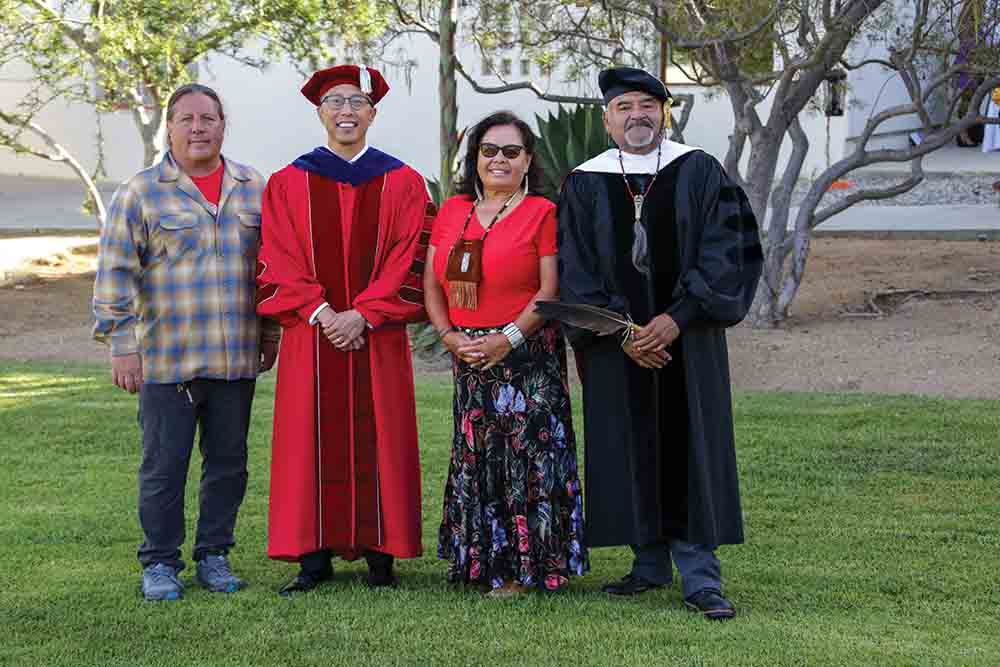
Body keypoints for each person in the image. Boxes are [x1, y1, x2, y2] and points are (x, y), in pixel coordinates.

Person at [557, 67, 762, 619]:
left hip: (687, 344)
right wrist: (626, 331)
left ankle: (700, 576)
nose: (637, 115)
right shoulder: (584, 181)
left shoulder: (699, 171)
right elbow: (574, 268)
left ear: (664, 113)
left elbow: (727, 253)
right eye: (624, 106)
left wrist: (676, 317)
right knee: (627, 442)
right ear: (606, 119)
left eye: (648, 104)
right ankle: (647, 564)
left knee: (689, 443)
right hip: (614, 344)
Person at [93, 83, 277, 601]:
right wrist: (122, 345)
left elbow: (270, 268)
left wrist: (271, 331)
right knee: (163, 466)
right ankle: (159, 563)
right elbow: (114, 274)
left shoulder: (253, 187)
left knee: (228, 465)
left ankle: (214, 556)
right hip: (166, 361)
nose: (198, 128)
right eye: (187, 119)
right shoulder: (140, 192)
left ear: (223, 126)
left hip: (234, 357)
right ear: (170, 127)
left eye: (208, 119)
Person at [256, 65, 432, 595]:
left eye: (357, 101)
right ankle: (312, 559)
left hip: (375, 337)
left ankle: (383, 555)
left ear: (373, 113)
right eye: (336, 101)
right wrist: (323, 313)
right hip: (313, 338)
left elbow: (413, 257)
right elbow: (275, 258)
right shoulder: (288, 183)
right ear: (320, 112)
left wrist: (366, 313)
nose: (347, 111)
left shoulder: (404, 182)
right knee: (306, 440)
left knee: (384, 435)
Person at [424, 111, 588, 597]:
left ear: (528, 161)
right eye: (489, 150)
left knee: (527, 462)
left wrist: (508, 338)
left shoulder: (542, 212)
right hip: (469, 355)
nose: (499, 160)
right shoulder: (452, 211)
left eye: (510, 152)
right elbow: (433, 281)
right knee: (479, 459)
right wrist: (448, 335)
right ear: (474, 158)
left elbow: (549, 288)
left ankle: (527, 568)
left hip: (526, 356)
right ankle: (480, 563)